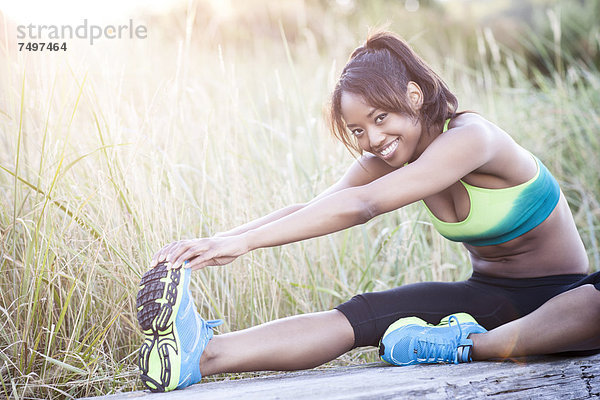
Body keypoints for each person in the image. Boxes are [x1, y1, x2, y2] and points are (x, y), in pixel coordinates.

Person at [135, 31, 600, 392]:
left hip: (565, 301)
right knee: (362, 314)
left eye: (381, 118)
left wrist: (244, 243)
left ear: (414, 98)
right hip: (491, 297)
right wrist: (220, 241)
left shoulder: (474, 138)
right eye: (358, 130)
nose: (373, 139)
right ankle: (199, 356)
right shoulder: (388, 157)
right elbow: (317, 207)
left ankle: (464, 346)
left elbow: (363, 205)